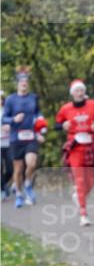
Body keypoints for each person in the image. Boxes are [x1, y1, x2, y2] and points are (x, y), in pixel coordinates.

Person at [55, 79, 94, 226]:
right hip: (75, 148)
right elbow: (56, 125)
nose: (79, 93)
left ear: (84, 92)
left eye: (81, 90)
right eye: (77, 91)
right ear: (72, 94)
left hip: (90, 146)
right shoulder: (66, 109)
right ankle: (83, 213)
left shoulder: (93, 105)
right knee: (80, 180)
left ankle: (79, 196)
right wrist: (63, 125)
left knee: (92, 179)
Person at [2, 70, 42, 208]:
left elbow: (38, 114)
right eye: (21, 82)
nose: (24, 84)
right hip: (15, 137)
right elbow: (3, 118)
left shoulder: (33, 98)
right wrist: (13, 119)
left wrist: (41, 130)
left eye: (26, 81)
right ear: (18, 84)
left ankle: (28, 184)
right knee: (18, 170)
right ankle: (18, 194)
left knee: (31, 163)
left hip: (30, 136)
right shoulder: (10, 99)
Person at [1, 90, 11, 200]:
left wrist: (10, 126)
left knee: (10, 169)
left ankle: (4, 184)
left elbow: (14, 122)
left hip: (8, 143)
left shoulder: (7, 111)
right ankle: (3, 191)